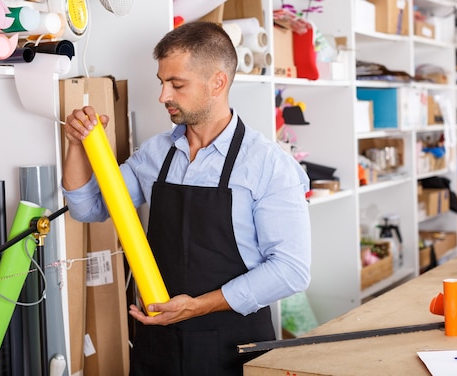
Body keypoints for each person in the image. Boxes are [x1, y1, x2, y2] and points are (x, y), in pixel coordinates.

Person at [62, 21, 312, 375]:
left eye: (176, 85)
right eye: (162, 83)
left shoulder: (267, 165)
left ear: (217, 83)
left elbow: (291, 271)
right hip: (158, 343)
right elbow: (87, 208)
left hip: (234, 346)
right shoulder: (156, 153)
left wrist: (197, 306)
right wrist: (75, 146)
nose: (163, 96)